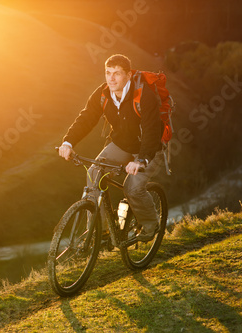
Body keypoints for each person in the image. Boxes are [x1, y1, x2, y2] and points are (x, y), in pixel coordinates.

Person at [58, 54, 164, 242]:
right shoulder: (103, 94)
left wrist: (141, 159)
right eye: (108, 73)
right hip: (122, 144)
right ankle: (101, 231)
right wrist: (68, 142)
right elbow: (86, 118)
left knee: (132, 189)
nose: (111, 78)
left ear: (128, 75)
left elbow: (152, 131)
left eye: (117, 73)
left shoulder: (144, 96)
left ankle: (150, 225)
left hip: (150, 148)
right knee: (93, 174)